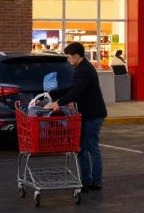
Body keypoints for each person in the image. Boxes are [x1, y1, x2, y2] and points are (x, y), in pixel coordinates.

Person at [46, 42, 107, 192]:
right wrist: (62, 98)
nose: (68, 59)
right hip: (90, 113)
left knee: (90, 147)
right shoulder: (82, 67)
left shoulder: (84, 70)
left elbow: (77, 90)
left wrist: (58, 102)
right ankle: (88, 181)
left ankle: (93, 181)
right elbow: (76, 89)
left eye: (69, 56)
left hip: (92, 114)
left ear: (76, 56)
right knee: (85, 148)